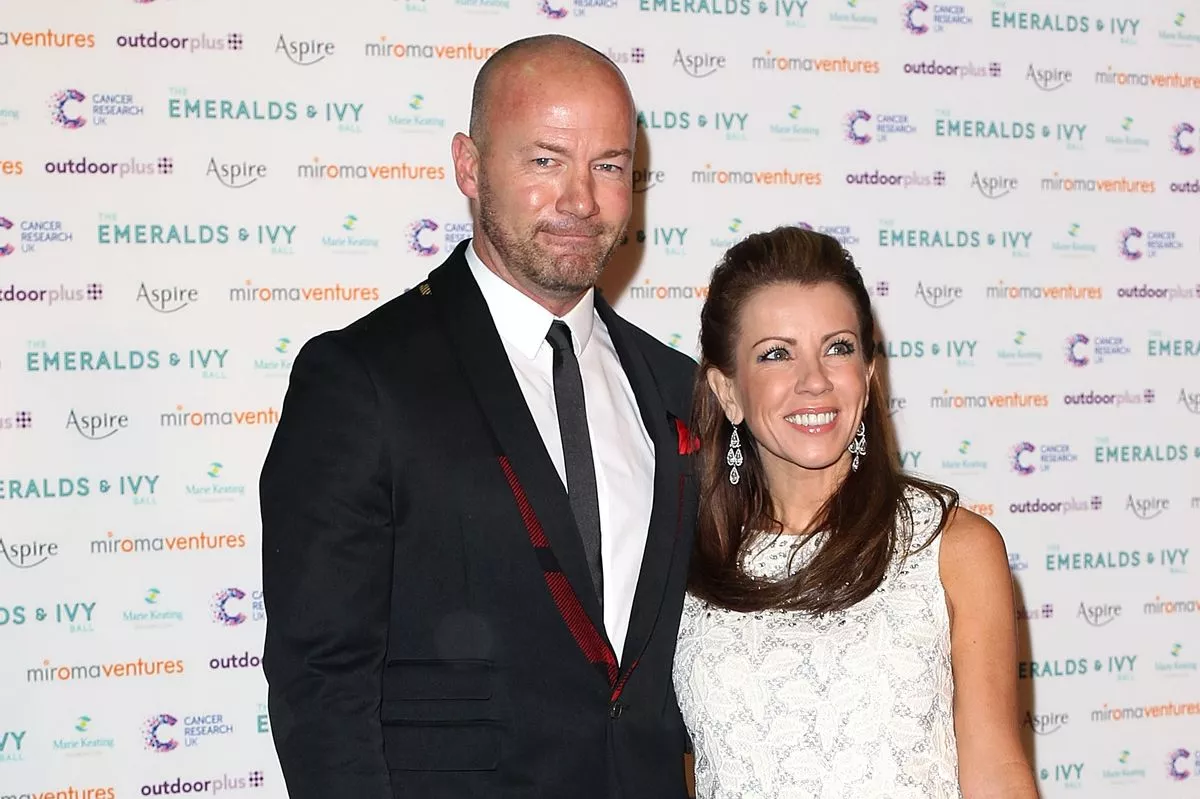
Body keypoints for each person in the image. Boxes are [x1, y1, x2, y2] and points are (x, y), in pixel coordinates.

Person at [258, 34, 698, 799]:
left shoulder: (674, 387)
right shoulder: (362, 379)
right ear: (469, 165)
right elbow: (321, 684)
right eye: (544, 160)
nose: (580, 201)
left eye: (609, 166)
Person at [673, 227, 1038, 798]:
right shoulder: (684, 559)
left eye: (838, 348)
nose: (814, 381)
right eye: (776, 354)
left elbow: (997, 774)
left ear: (867, 376)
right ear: (728, 392)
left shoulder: (954, 549)